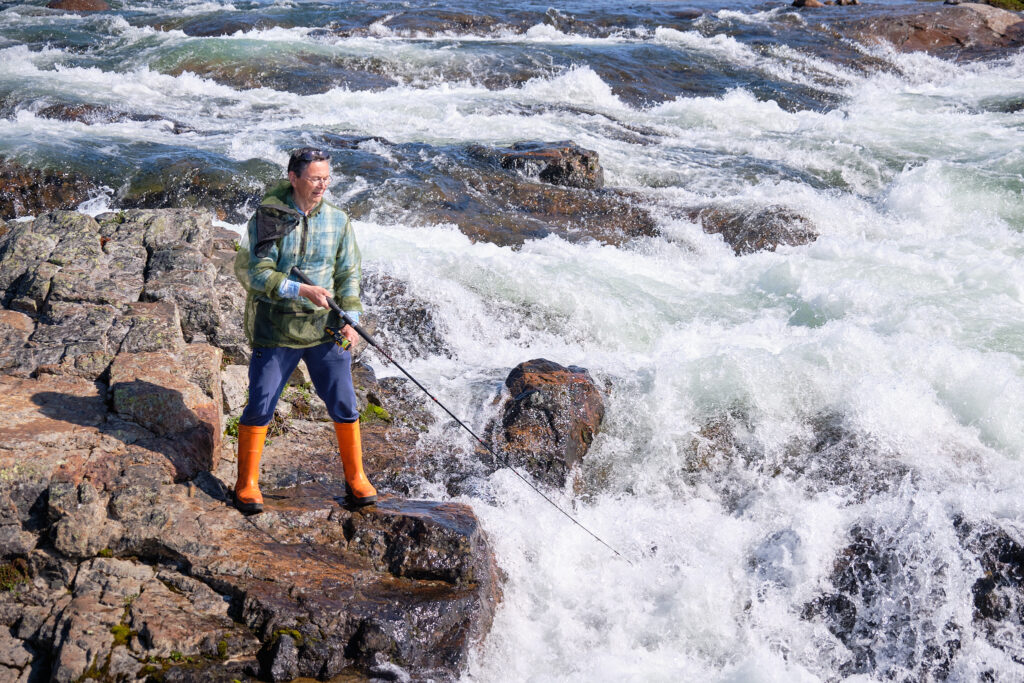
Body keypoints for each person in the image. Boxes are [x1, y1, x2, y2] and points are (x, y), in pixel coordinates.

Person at [231, 147, 376, 514]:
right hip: (277, 327)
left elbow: (348, 274)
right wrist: (302, 289)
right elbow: (256, 273)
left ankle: (356, 477)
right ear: (293, 178)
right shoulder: (268, 217)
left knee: (344, 402)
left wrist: (351, 318)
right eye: (314, 178)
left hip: (324, 329)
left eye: (326, 178)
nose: (322, 185)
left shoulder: (339, 220)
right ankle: (246, 483)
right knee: (260, 402)